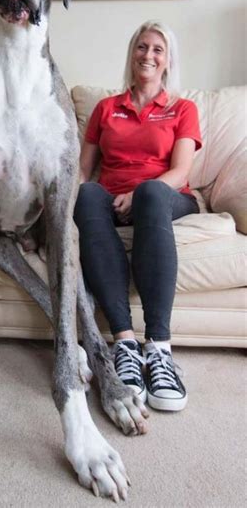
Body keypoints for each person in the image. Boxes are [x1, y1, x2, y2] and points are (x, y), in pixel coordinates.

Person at [74, 21, 202, 412]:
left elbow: (181, 171)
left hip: (165, 197)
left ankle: (159, 348)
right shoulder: (106, 108)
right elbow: (82, 170)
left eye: (158, 50)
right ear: (132, 54)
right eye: (142, 47)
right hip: (112, 200)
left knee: (150, 191)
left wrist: (138, 191)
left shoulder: (182, 108)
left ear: (168, 61)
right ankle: (126, 342)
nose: (148, 55)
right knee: (86, 193)